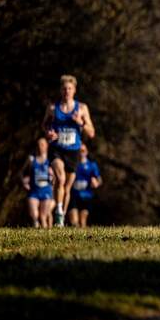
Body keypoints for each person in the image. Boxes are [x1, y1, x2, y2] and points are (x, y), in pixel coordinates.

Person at [41, 74, 96, 227]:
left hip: (73, 151)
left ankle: (61, 217)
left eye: (69, 89)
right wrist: (48, 132)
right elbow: (44, 125)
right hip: (57, 149)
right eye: (64, 89)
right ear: (61, 90)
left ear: (74, 90)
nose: (67, 91)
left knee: (67, 187)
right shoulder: (53, 108)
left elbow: (91, 133)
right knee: (60, 178)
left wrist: (80, 123)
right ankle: (58, 210)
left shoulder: (82, 108)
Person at [22, 137, 55, 228]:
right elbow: (24, 174)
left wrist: (52, 178)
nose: (40, 147)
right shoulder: (31, 160)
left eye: (42, 144)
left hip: (46, 192)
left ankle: (46, 236)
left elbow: (56, 179)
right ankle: (36, 231)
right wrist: (25, 182)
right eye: (39, 145)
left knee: (43, 216)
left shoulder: (51, 161)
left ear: (47, 146)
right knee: (34, 215)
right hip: (34, 192)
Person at [67, 144, 102, 228]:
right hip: (73, 195)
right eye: (79, 151)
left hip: (86, 196)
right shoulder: (72, 164)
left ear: (86, 152)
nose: (81, 153)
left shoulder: (92, 165)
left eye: (83, 151)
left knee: (83, 222)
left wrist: (96, 182)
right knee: (74, 222)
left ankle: (83, 239)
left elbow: (100, 180)